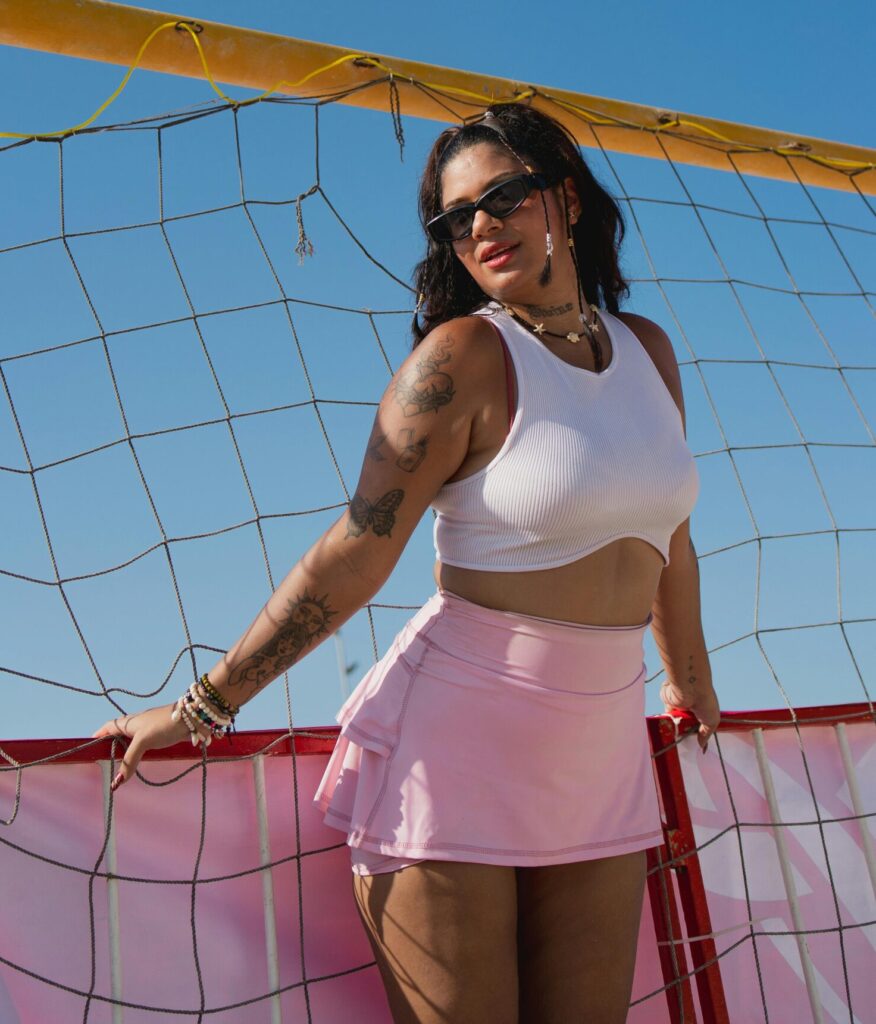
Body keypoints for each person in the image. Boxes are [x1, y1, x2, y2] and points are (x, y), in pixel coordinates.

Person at [92, 103, 721, 1023]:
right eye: (455, 217)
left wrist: (692, 683)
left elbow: (671, 536)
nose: (481, 226)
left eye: (504, 196)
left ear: (569, 198)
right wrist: (206, 706)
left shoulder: (648, 352)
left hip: (600, 754)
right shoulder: (463, 357)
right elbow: (357, 547)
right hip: (453, 754)